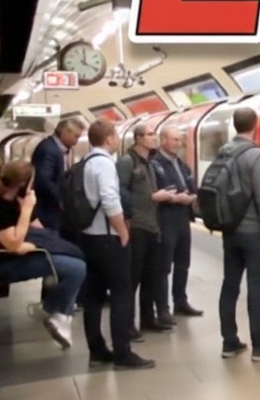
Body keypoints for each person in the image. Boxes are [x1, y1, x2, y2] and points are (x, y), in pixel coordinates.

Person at [0, 160, 86, 348]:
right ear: (23, 184)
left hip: (18, 257)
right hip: (5, 265)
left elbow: (35, 226)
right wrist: (27, 208)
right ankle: (57, 313)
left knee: (73, 256)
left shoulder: (13, 201)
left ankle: (60, 315)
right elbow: (14, 243)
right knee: (76, 269)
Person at [80, 118, 156, 370]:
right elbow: (110, 199)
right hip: (107, 238)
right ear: (110, 139)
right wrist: (123, 230)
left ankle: (97, 350)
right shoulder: (104, 164)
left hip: (89, 237)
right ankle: (123, 353)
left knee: (93, 296)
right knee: (122, 294)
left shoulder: (86, 162)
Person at [217, 107, 260, 362]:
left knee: (229, 285)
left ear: (235, 126)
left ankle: (229, 342)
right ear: (255, 125)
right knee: (256, 288)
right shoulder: (255, 155)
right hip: (253, 232)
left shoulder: (224, 151)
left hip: (230, 231)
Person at [117, 122, 173, 336]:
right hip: (137, 226)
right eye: (150, 134)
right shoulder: (127, 162)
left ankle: (148, 319)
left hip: (152, 226)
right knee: (134, 278)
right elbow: (120, 191)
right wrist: (149, 198)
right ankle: (128, 324)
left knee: (151, 275)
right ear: (139, 138)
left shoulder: (149, 162)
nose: (155, 138)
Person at [151, 125, 202, 318]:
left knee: (183, 262)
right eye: (174, 140)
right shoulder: (155, 164)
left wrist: (191, 196)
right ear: (163, 140)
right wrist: (172, 198)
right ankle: (163, 308)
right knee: (164, 265)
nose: (178, 144)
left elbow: (190, 184)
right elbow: (153, 192)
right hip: (165, 218)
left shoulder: (180, 164)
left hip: (183, 217)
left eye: (180, 140)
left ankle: (180, 301)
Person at [30, 117, 83, 232]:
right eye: (76, 136)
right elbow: (43, 181)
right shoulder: (49, 150)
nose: (76, 141)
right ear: (64, 132)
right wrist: (60, 200)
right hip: (47, 210)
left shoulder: (53, 148)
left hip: (49, 209)